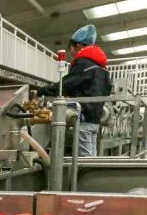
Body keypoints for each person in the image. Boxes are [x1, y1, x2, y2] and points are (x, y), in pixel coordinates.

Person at [37, 24, 112, 157]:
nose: (71, 53)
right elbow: (105, 91)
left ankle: (86, 172)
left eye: (70, 48)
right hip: (95, 119)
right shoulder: (102, 68)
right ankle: (94, 170)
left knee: (85, 158)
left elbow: (67, 84)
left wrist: (42, 90)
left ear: (78, 45)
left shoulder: (83, 62)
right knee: (92, 155)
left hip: (84, 117)